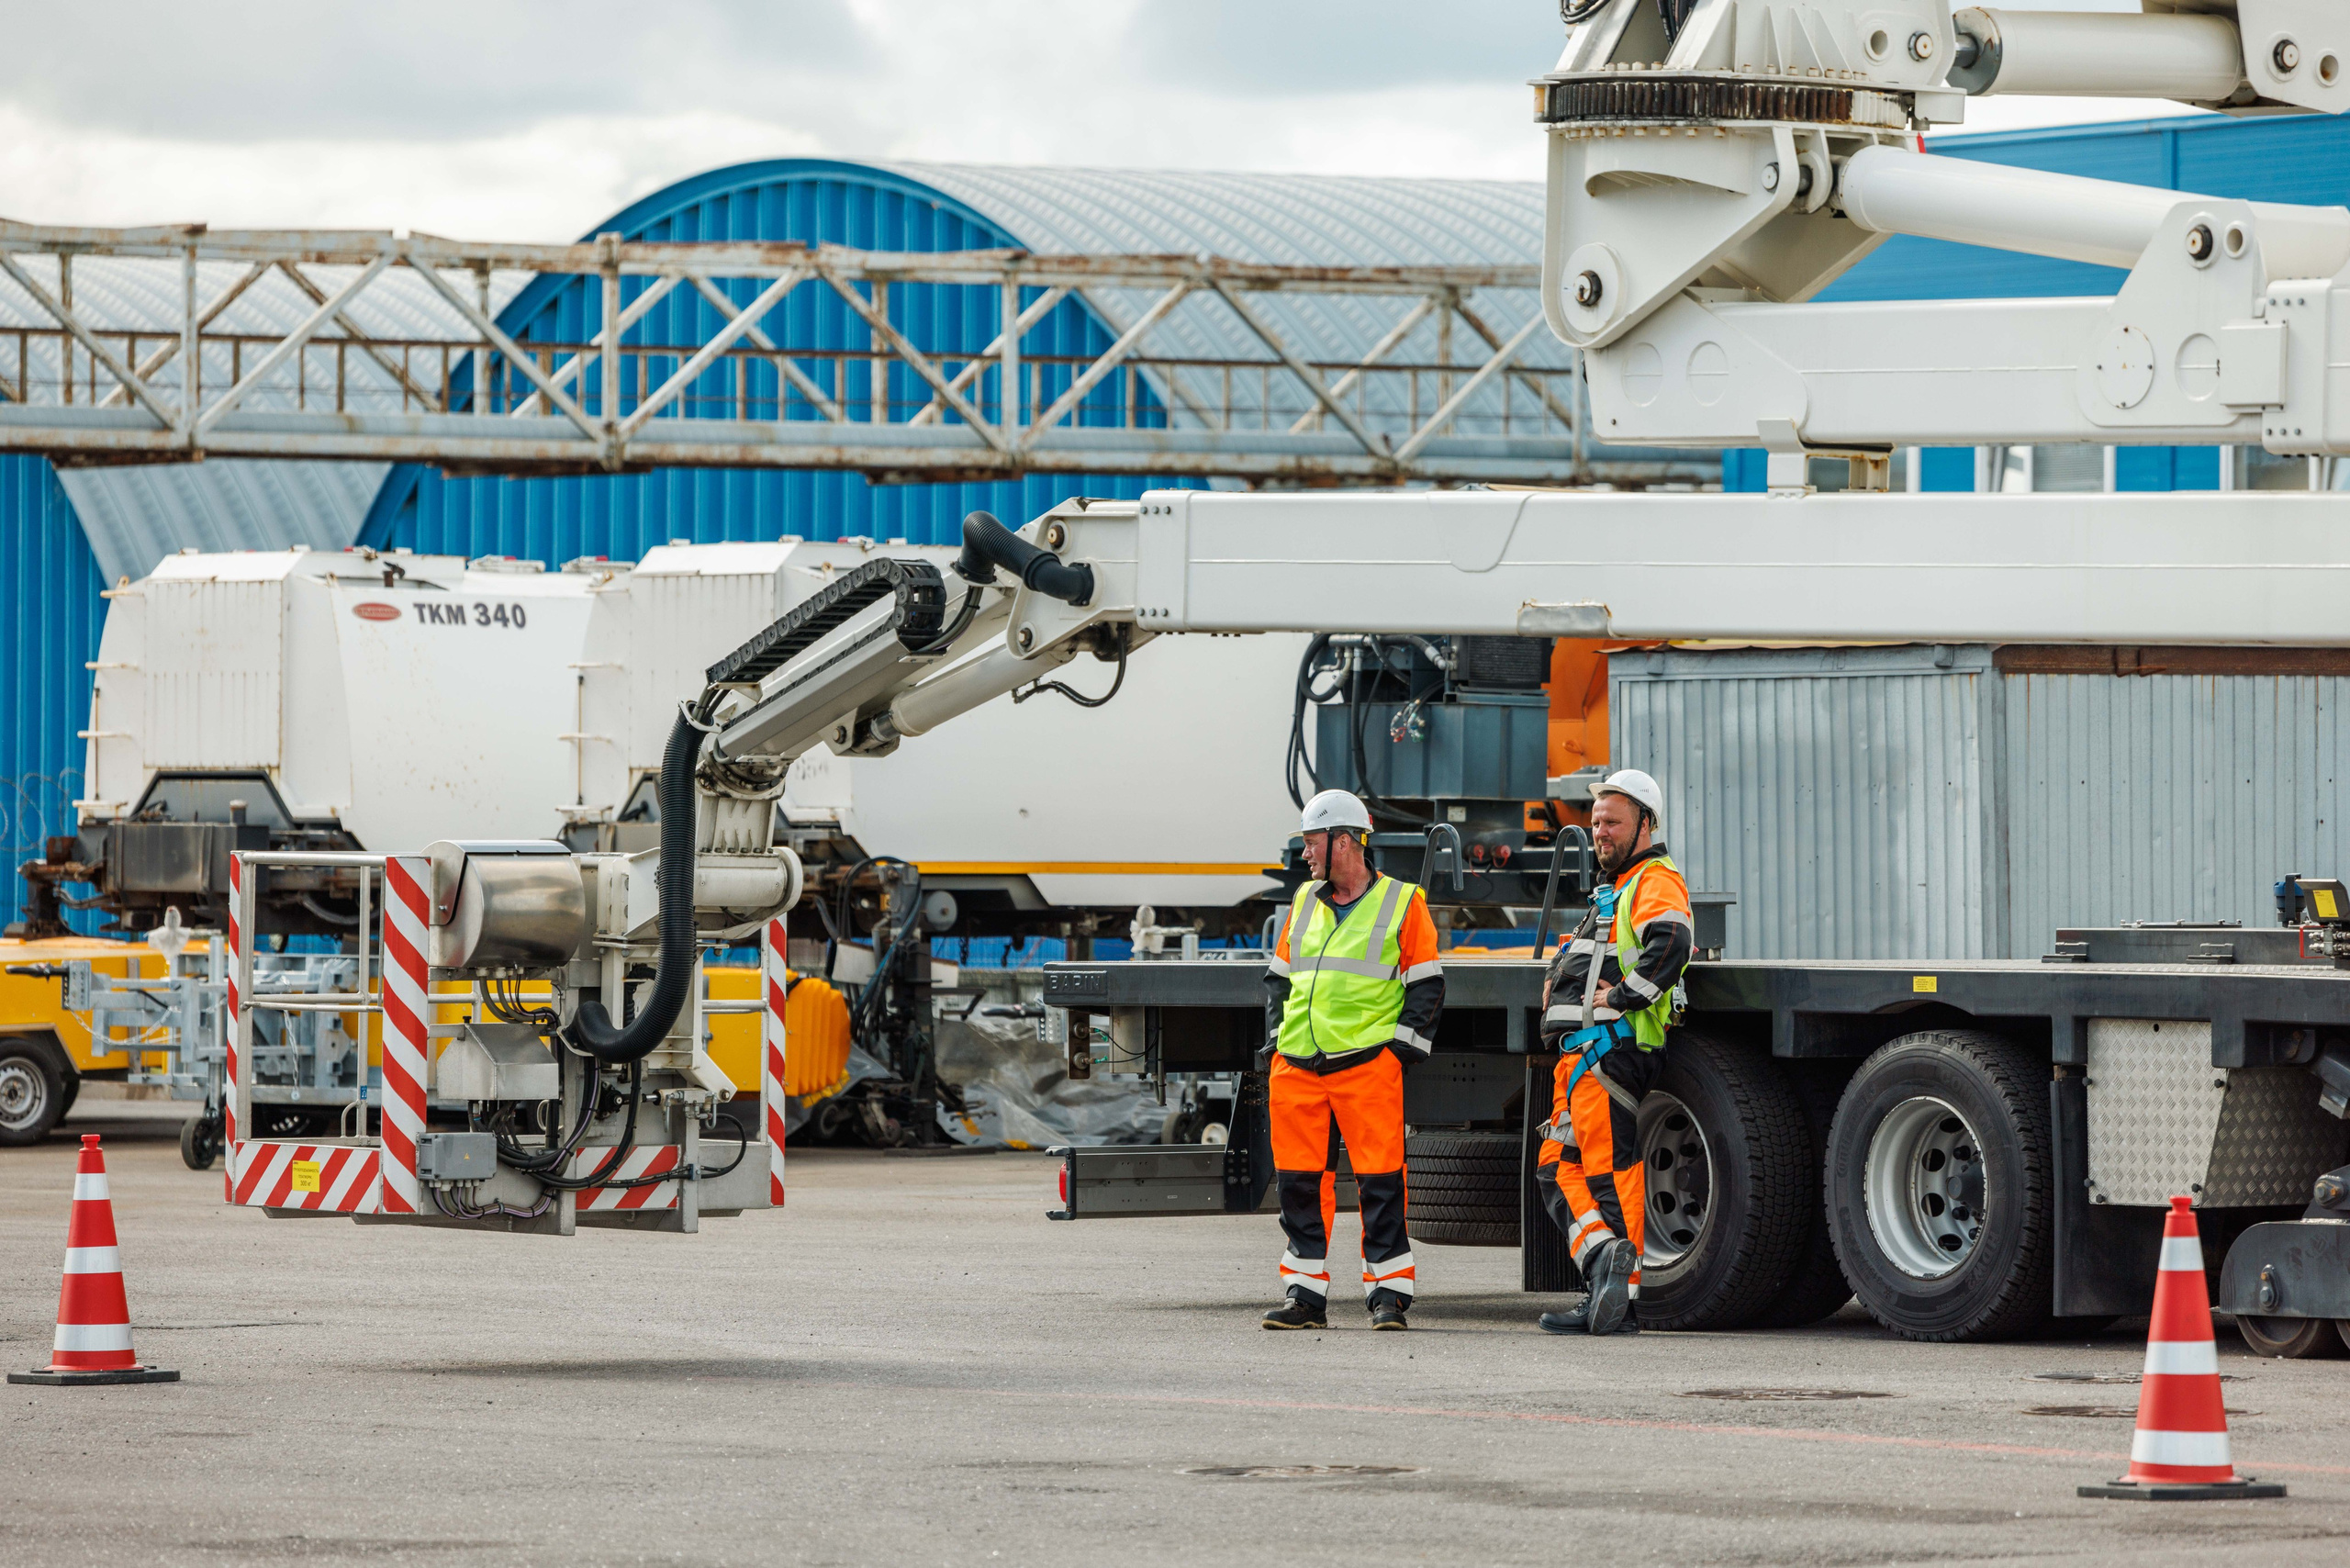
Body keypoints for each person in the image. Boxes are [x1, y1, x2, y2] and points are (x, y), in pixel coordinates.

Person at [1259, 790, 1444, 1331]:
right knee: (1297, 1184)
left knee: (1380, 1183)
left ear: (1344, 842)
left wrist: (1398, 1053)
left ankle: (1389, 1296)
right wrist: (1276, 1041)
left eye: (1312, 842)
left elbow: (1427, 985)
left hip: (1367, 1066)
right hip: (1297, 1067)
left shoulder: (1404, 901)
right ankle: (1304, 1295)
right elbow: (1278, 978)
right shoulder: (1303, 900)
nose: (1306, 854)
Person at [1534, 768, 1692, 1336]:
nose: (1599, 831)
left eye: (1612, 822)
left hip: (1607, 1054)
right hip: (1578, 1059)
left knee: (1606, 1173)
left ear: (1645, 824)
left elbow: (1672, 941)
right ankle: (1603, 1260)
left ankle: (1618, 1303)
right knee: (1556, 1168)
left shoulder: (1654, 878)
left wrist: (1624, 997)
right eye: (1596, 821)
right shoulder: (1616, 888)